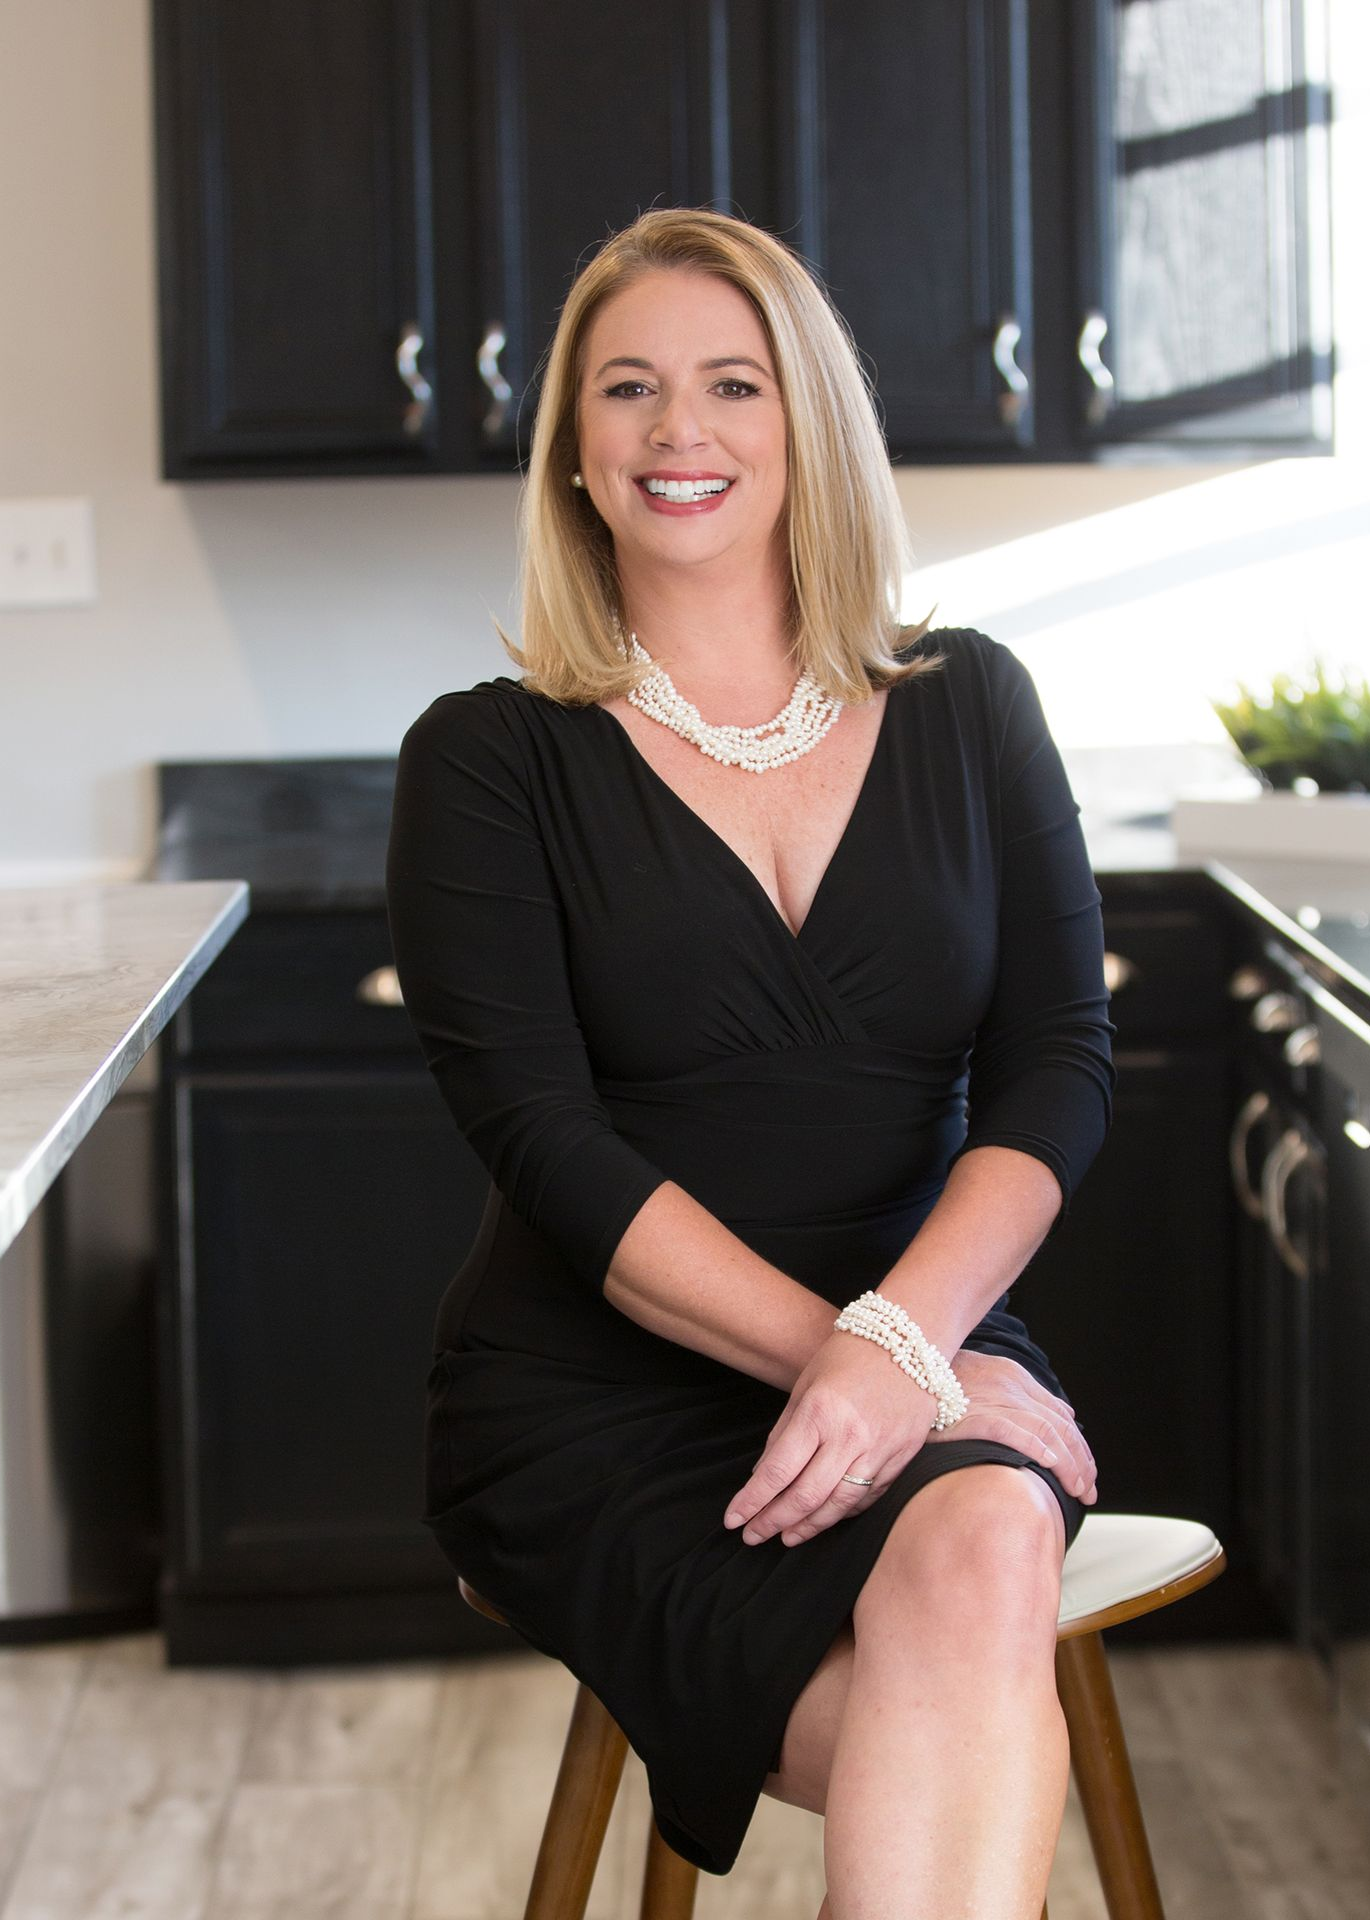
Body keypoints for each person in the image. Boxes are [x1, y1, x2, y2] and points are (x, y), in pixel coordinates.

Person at [384, 206, 1117, 1920]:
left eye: (732, 383)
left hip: (912, 1313)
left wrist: (901, 1340)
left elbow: (1056, 1065)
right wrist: (849, 1363)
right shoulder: (486, 760)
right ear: (574, 444)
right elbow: (544, 1141)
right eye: (627, 388)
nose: (678, 431)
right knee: (968, 1726)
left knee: (984, 1552)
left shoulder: (974, 703)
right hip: (600, 1393)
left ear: (812, 424)